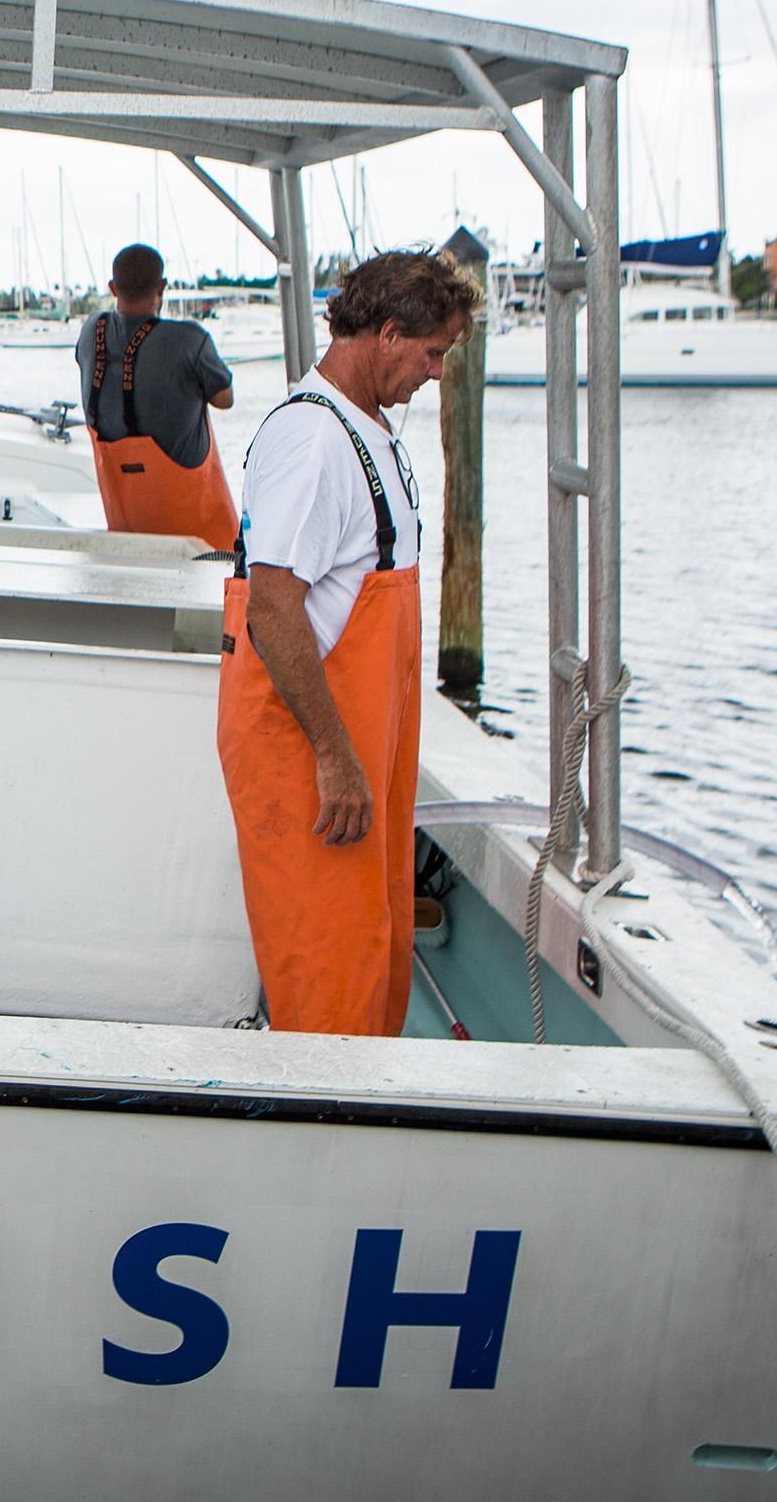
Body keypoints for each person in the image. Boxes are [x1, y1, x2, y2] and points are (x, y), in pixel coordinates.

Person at [216, 250, 479, 1037]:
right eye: (433, 353)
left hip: (361, 755)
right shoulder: (313, 441)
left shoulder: (368, 433)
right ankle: (323, 1135)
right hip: (310, 757)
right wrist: (334, 755)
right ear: (389, 334)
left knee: (371, 957)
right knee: (329, 979)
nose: (437, 374)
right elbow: (273, 608)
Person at [74, 243, 238, 549]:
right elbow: (224, 399)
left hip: (128, 538)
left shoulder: (90, 332)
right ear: (162, 286)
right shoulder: (190, 339)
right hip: (200, 544)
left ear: (112, 287)